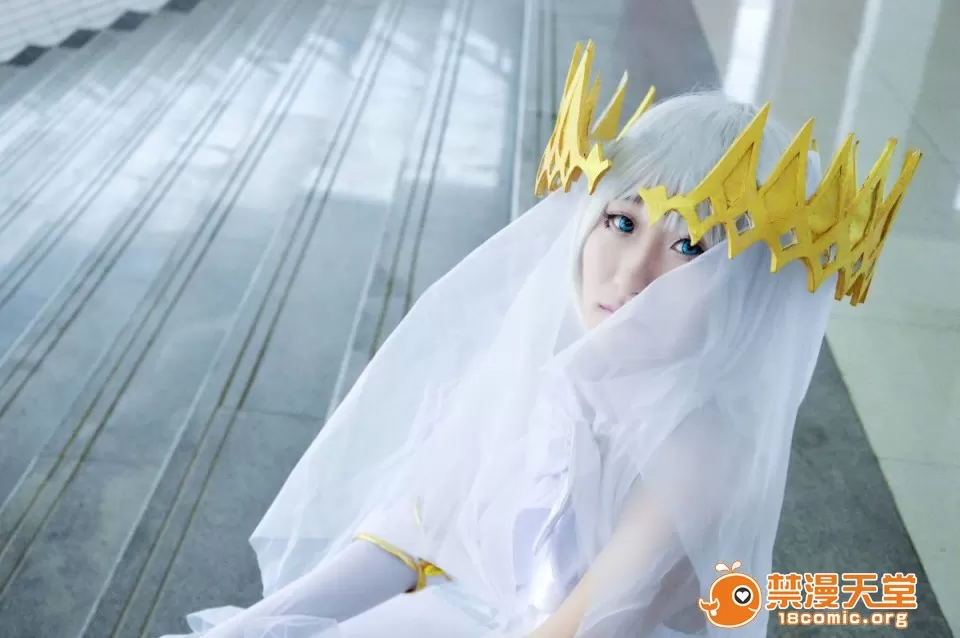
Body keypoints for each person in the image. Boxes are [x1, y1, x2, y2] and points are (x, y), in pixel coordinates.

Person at [163, 41, 920, 638]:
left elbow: (574, 627)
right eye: (621, 221)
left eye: (690, 246)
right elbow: (415, 533)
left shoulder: (702, 453)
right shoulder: (543, 363)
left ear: (745, 283)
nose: (630, 273)